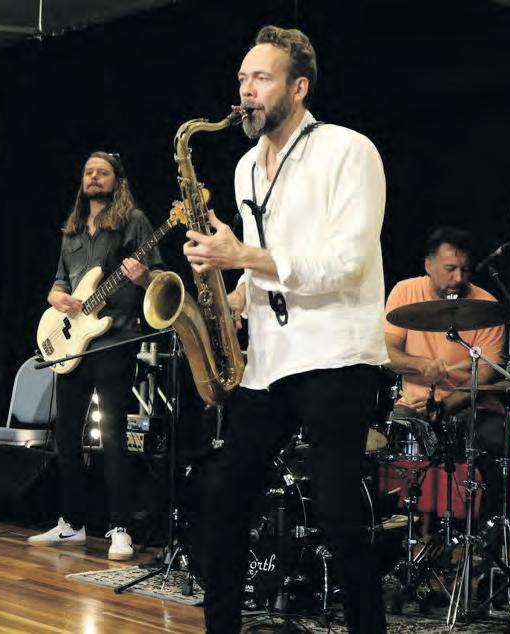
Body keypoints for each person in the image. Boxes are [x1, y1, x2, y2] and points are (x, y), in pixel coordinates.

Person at [182, 26, 388, 632]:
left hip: (335, 354)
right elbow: (266, 263)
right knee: (223, 492)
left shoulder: (348, 151)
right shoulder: (245, 166)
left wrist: (241, 257)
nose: (246, 90)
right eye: (242, 78)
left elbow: (347, 263)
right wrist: (233, 296)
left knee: (338, 515)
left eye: (262, 78)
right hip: (270, 361)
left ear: (298, 88)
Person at [27, 151, 163, 560]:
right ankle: (71, 523)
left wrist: (144, 277)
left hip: (114, 340)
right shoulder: (71, 231)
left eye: (102, 172)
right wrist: (57, 297)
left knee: (114, 435)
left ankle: (120, 528)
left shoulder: (134, 222)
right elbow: (58, 282)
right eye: (89, 172)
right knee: (66, 436)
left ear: (117, 180)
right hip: (73, 345)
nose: (94, 177)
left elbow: (157, 279)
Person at [384, 227, 510, 525]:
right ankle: (393, 530)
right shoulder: (405, 292)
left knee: (499, 450)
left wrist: (443, 407)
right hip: (415, 407)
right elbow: (387, 353)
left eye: (465, 270)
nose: (457, 278)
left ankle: (491, 535)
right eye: (450, 269)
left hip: (472, 407)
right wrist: (420, 365)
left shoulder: (488, 308)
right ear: (428, 265)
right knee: (376, 445)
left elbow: (485, 374)